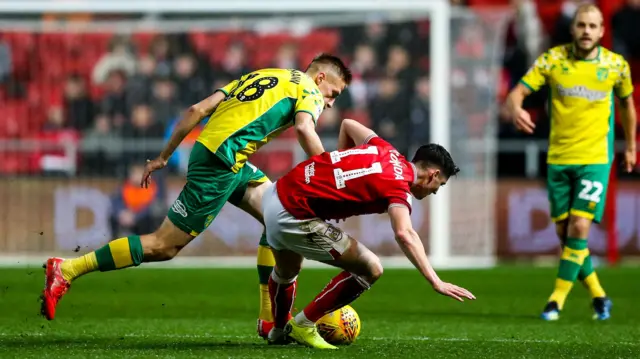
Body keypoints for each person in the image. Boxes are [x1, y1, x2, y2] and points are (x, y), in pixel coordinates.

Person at [40, 54, 352, 334]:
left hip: (220, 156)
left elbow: (197, 109)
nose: (330, 103)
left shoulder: (264, 75)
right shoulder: (309, 89)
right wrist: (331, 173)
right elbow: (303, 129)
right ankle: (68, 269)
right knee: (164, 246)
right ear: (321, 77)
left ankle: (269, 318)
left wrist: (164, 156)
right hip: (221, 163)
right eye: (333, 94)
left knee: (279, 216)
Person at [262, 119, 476, 349]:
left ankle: (278, 331)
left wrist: (338, 180)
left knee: (287, 271)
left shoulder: (385, 148)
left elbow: (346, 124)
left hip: (277, 192)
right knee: (371, 268)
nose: (435, 192)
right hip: (293, 215)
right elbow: (405, 234)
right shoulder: (399, 187)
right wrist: (436, 281)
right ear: (433, 175)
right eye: (440, 185)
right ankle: (303, 325)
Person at [506, 4, 637, 321]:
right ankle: (599, 295)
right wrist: (516, 107)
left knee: (579, 226)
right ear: (573, 28)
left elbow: (628, 106)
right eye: (582, 25)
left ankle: (555, 301)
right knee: (568, 237)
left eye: (593, 26)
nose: (587, 31)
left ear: (602, 30)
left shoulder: (616, 66)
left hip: (594, 160)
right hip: (559, 160)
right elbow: (517, 93)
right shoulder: (553, 60)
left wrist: (631, 145)